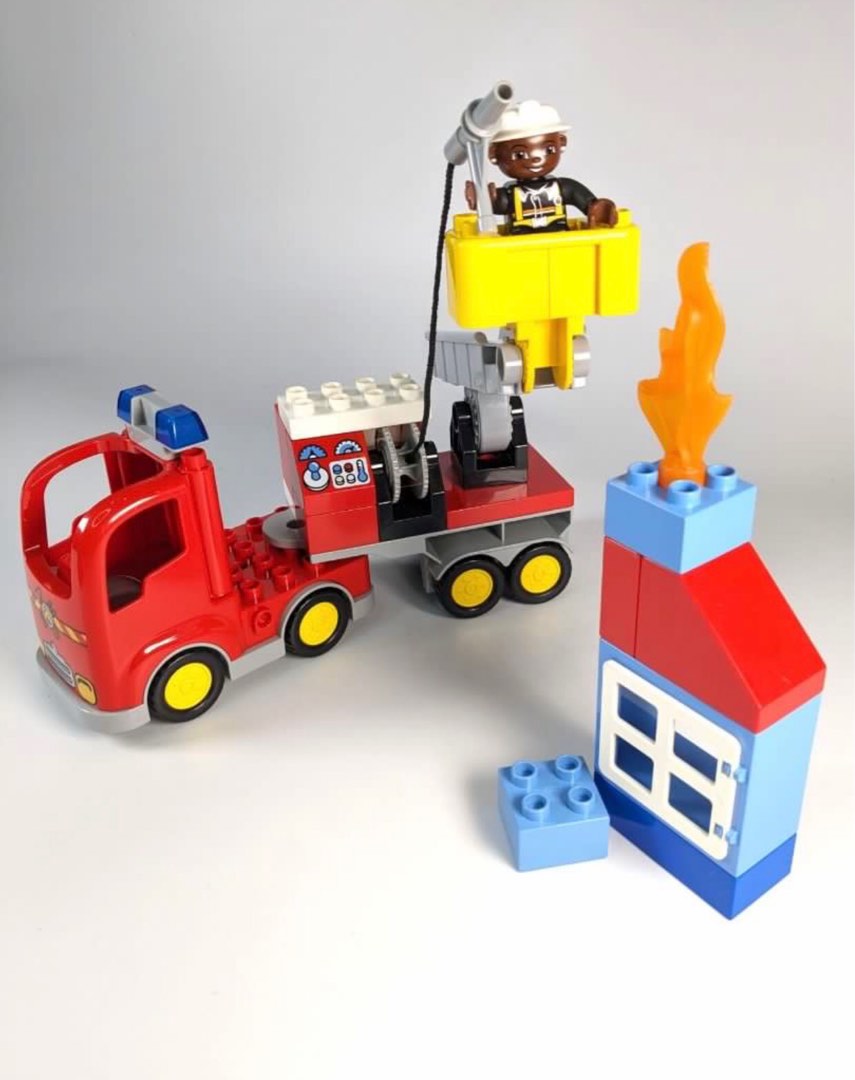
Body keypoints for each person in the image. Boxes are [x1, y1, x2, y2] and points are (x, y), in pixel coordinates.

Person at [464, 100, 618, 234]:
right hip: (521, 245)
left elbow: (577, 195)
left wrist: (595, 207)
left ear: (562, 143)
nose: (536, 158)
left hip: (561, 239)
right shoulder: (511, 195)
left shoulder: (562, 188)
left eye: (549, 150)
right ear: (494, 154)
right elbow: (500, 204)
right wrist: (484, 200)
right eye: (519, 154)